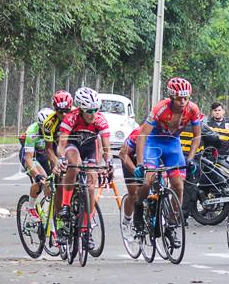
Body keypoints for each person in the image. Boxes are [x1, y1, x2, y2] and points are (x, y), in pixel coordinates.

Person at [133, 77, 202, 231]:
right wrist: (139, 163)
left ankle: (172, 221)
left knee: (178, 185)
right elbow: (142, 135)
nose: (183, 101)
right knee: (147, 180)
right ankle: (138, 207)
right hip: (154, 143)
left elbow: (197, 136)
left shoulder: (193, 109)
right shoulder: (160, 108)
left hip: (172, 145)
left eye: (186, 97)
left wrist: (190, 159)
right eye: (179, 98)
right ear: (171, 97)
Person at [55, 88, 112, 241]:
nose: (93, 114)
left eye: (96, 110)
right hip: (73, 146)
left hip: (90, 148)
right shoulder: (70, 118)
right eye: (89, 111)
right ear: (80, 109)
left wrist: (108, 162)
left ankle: (86, 231)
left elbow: (106, 147)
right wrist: (61, 158)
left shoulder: (100, 120)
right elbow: (61, 144)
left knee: (91, 188)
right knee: (74, 164)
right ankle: (66, 206)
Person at [20, 107, 54, 217]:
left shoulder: (56, 128)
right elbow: (28, 158)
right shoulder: (32, 131)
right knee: (42, 179)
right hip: (30, 155)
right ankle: (30, 207)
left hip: (44, 154)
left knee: (52, 185)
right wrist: (37, 174)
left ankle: (46, 211)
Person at [118, 125, 143, 236]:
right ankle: (127, 221)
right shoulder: (138, 133)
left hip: (147, 159)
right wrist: (134, 170)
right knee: (134, 193)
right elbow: (122, 154)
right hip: (130, 158)